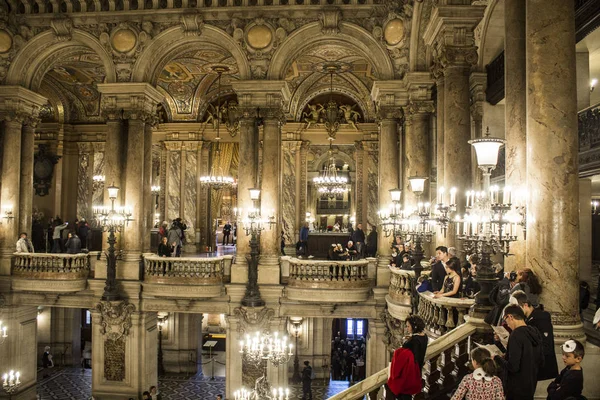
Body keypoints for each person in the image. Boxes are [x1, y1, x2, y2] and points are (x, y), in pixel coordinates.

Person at [494, 305, 544, 400]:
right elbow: (541, 360)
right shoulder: (534, 331)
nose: (507, 324)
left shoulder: (516, 334)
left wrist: (497, 358)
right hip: (531, 383)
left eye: (505, 320)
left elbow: (513, 367)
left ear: (510, 317)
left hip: (516, 387)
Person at [511, 290, 558, 381]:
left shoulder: (541, 318)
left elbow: (545, 345)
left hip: (542, 368)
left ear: (525, 305)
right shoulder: (526, 319)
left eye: (517, 308)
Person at [386, 315, 428, 400]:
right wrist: (411, 338)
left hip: (408, 375)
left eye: (408, 326)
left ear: (414, 326)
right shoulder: (424, 337)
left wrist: (404, 346)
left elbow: (407, 357)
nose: (407, 328)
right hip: (417, 372)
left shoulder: (414, 341)